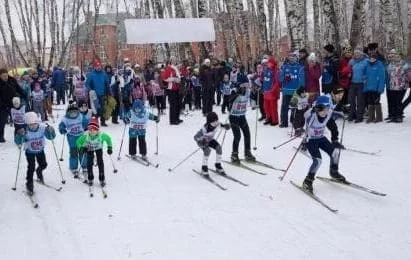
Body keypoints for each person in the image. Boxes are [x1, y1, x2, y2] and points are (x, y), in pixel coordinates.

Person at [301, 95, 346, 193]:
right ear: (318, 109)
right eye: (322, 110)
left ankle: (334, 172)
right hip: (310, 140)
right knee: (318, 161)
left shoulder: (328, 112)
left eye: (327, 109)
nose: (325, 112)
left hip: (321, 138)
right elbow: (305, 114)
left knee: (335, 153)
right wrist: (313, 109)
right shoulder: (311, 115)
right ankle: (307, 181)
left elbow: (333, 112)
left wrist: (342, 113)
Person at [14, 112, 56, 195]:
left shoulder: (42, 128)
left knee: (44, 164)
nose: (33, 126)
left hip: (40, 150)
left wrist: (51, 131)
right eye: (30, 125)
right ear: (27, 124)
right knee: (31, 167)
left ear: (38, 123)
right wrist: (19, 134)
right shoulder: (25, 131)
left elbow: (51, 137)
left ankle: (39, 171)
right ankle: (29, 183)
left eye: (35, 124)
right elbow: (18, 141)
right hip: (30, 152)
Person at [76, 117, 113, 187]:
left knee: (100, 162)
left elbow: (108, 139)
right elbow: (78, 142)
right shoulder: (85, 135)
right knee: (89, 163)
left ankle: (102, 178)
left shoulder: (101, 135)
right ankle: (90, 178)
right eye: (90, 129)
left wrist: (109, 148)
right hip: (89, 149)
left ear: (97, 129)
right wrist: (81, 148)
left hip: (98, 148)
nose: (92, 131)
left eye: (94, 129)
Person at [58, 101, 89, 178]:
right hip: (72, 137)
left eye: (75, 112)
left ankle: (84, 165)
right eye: (71, 112)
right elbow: (61, 125)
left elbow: (85, 121)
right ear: (68, 112)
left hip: (81, 136)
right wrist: (62, 129)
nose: (73, 114)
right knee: (74, 152)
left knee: (82, 151)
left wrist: (87, 126)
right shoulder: (65, 119)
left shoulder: (80, 116)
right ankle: (73, 167)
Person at [194, 112, 230, 176]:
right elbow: (196, 137)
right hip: (202, 141)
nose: (216, 122)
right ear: (209, 122)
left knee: (219, 148)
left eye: (216, 120)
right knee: (207, 150)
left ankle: (218, 165)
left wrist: (226, 126)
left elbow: (222, 126)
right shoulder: (204, 129)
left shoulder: (217, 124)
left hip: (210, 140)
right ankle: (204, 167)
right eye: (214, 121)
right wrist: (202, 142)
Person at [228, 83, 255, 163]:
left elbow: (253, 96)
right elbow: (229, 99)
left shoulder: (247, 92)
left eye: (246, 87)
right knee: (237, 136)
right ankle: (234, 155)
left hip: (242, 116)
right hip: (233, 117)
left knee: (247, 134)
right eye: (244, 87)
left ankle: (247, 152)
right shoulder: (234, 91)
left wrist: (257, 91)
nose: (245, 89)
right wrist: (236, 93)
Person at [0, 68, 27, 142]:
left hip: (14, 104)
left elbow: (19, 89)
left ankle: (18, 136)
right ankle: (0, 138)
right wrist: (3, 104)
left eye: (6, 75)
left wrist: (25, 94)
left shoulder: (12, 80)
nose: (5, 77)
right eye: (3, 76)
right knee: (2, 122)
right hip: (3, 106)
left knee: (18, 121)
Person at [279, 51, 305, 127]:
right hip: (286, 91)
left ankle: (294, 121)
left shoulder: (300, 67)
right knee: (285, 107)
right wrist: (285, 78)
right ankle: (284, 122)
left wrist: (301, 89)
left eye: (293, 56)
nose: (292, 58)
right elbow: (280, 78)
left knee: (295, 108)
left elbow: (302, 80)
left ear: (296, 58)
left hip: (295, 91)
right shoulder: (284, 67)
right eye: (290, 56)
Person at [86, 60, 111, 126]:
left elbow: (107, 83)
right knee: (95, 109)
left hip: (102, 94)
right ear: (95, 67)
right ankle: (95, 122)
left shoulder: (104, 74)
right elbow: (87, 84)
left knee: (103, 108)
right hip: (94, 95)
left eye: (99, 66)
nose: (98, 67)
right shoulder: (91, 74)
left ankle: (103, 121)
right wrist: (90, 90)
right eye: (97, 66)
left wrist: (109, 92)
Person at [363, 53, 386, 123]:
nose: (372, 59)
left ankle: (379, 117)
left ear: (376, 58)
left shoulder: (380, 65)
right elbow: (364, 74)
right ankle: (371, 117)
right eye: (370, 58)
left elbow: (382, 78)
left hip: (376, 88)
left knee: (376, 102)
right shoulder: (367, 64)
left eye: (373, 58)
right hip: (368, 87)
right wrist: (364, 78)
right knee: (370, 102)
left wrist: (380, 88)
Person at [386, 49, 407, 123]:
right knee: (394, 102)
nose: (396, 57)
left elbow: (407, 73)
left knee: (398, 102)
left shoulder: (404, 64)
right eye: (395, 56)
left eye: (398, 56)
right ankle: (394, 116)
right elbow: (388, 73)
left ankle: (399, 116)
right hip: (393, 86)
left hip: (401, 86)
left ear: (401, 56)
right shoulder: (391, 64)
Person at [348, 48, 367, 123]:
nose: (357, 54)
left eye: (358, 53)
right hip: (353, 83)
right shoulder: (351, 61)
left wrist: (364, 77)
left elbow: (368, 71)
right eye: (355, 53)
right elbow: (348, 69)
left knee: (360, 100)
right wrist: (349, 74)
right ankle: (352, 114)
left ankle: (359, 117)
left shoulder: (365, 61)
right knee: (351, 100)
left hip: (361, 83)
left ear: (361, 54)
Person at [161, 59, 183, 124]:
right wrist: (173, 79)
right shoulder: (168, 68)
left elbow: (179, 77)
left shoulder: (176, 68)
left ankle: (177, 118)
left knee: (178, 104)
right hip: (171, 89)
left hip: (177, 88)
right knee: (173, 104)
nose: (174, 62)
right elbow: (164, 78)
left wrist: (179, 79)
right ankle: (173, 120)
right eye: (172, 61)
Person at [262, 57, 280, 126]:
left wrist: (273, 89)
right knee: (266, 106)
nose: (268, 64)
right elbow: (263, 79)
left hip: (272, 92)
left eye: (269, 63)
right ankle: (269, 118)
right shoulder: (266, 70)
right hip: (266, 91)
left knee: (273, 107)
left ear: (272, 63)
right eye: (267, 63)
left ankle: (274, 120)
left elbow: (277, 82)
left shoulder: (275, 70)